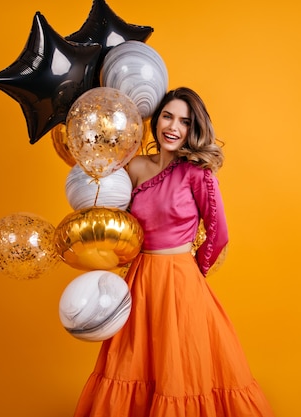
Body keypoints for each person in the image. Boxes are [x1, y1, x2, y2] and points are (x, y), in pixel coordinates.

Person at [73, 87, 275, 416]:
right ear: (157, 121)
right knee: (132, 363)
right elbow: (112, 217)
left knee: (179, 369)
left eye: (184, 121)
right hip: (139, 281)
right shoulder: (134, 167)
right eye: (168, 116)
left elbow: (219, 233)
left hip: (180, 284)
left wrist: (194, 269)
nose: (173, 126)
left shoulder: (197, 174)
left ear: (192, 129)